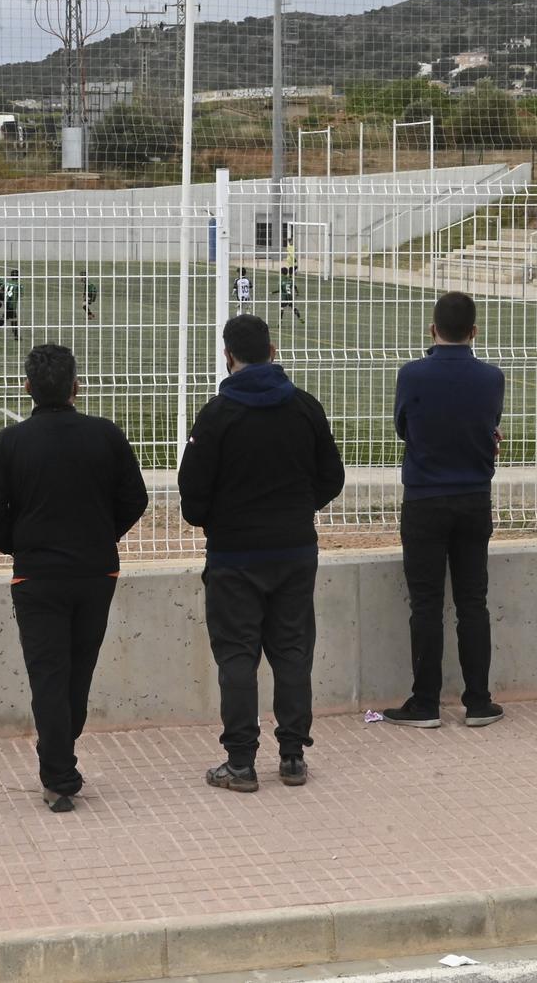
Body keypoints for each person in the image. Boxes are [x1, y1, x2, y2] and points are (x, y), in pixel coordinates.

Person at [0, 344, 149, 812]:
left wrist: (18, 544)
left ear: (27, 387)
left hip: (37, 576)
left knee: (49, 674)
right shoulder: (105, 436)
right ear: (76, 387)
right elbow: (135, 498)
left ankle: (57, 771)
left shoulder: (11, 443)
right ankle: (60, 764)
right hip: (96, 570)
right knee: (78, 670)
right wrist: (101, 533)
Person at [178, 315, 345, 793]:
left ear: (228, 356)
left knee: (237, 654)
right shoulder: (305, 408)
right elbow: (331, 477)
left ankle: (241, 761)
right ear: (272, 351)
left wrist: (221, 519)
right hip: (294, 548)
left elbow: (192, 495)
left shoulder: (216, 416)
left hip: (234, 555)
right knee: (292, 650)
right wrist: (295, 509)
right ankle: (292, 755)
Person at [382, 292, 505, 728]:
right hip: (474, 497)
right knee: (473, 601)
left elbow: (403, 426)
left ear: (432, 329)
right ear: (474, 332)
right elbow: (491, 425)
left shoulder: (413, 375)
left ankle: (426, 702)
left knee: (427, 602)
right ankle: (478, 701)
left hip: (425, 497)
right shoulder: (491, 377)